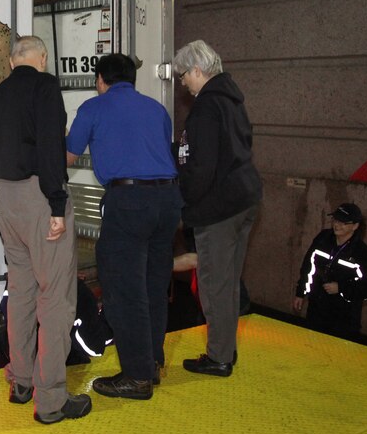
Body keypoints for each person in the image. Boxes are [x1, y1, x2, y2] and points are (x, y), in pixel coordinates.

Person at [0, 35, 91, 425]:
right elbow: (52, 146)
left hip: (8, 201)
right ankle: (51, 400)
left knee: (20, 293)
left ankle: (21, 383)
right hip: (40, 198)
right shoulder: (46, 85)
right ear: (43, 58)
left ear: (10, 61)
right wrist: (56, 204)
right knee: (55, 300)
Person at [65, 53, 182, 400]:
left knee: (123, 291)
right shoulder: (157, 111)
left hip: (129, 203)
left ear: (101, 79)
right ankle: (152, 363)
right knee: (153, 286)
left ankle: (136, 376)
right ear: (131, 79)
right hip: (169, 202)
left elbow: (67, 158)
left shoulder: (94, 108)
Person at [172, 40, 262, 377]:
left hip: (219, 207)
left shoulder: (207, 107)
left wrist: (184, 202)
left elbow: (202, 165)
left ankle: (219, 357)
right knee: (230, 280)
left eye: (184, 76)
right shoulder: (233, 101)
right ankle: (226, 349)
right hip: (245, 198)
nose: (183, 83)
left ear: (198, 70)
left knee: (214, 283)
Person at [292, 203, 367, 339]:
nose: (337, 225)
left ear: (355, 226)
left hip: (344, 317)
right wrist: (301, 293)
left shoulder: (361, 252)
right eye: (336, 220)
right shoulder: (322, 239)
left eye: (343, 223)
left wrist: (341, 288)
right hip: (317, 309)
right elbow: (308, 266)